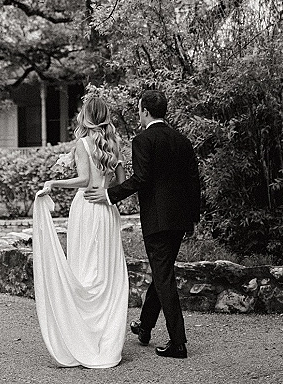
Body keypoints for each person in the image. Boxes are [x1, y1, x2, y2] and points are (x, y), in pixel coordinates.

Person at [85, 89, 201, 360]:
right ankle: (145, 327)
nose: (138, 114)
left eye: (139, 109)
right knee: (162, 273)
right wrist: (192, 219)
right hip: (180, 220)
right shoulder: (182, 141)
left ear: (145, 111)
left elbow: (142, 179)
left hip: (158, 221)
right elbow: (194, 183)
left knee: (163, 276)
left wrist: (108, 195)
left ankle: (178, 343)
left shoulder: (143, 140)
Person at [32, 94, 129, 368]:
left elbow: (85, 180)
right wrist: (107, 194)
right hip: (108, 211)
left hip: (86, 210)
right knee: (106, 276)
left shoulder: (83, 143)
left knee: (84, 273)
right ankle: (106, 342)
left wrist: (54, 182)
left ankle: (83, 338)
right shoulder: (116, 142)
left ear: (85, 115)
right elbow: (122, 183)